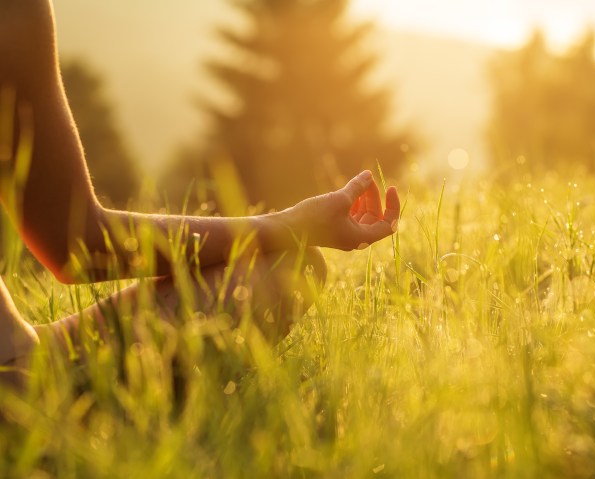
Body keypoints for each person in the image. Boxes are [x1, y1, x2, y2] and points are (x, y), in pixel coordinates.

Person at [0, 0, 400, 389]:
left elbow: (74, 246)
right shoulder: (14, 14)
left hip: (29, 353)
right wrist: (288, 225)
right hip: (17, 387)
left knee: (286, 269)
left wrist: (290, 226)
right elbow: (79, 245)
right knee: (287, 272)